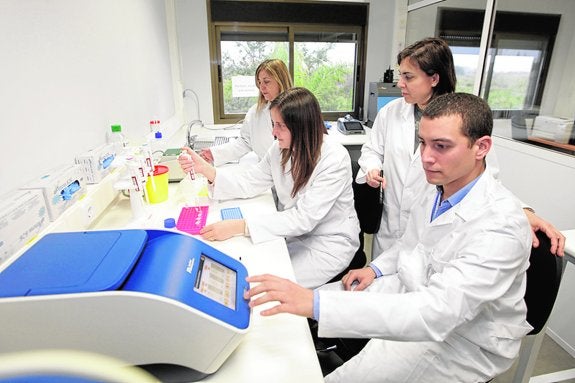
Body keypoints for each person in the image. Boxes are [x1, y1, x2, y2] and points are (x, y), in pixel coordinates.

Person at [244, 93, 533, 382]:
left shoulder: (501, 226)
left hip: (461, 339)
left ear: (481, 147)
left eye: (441, 146)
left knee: (343, 373)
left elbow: (438, 312)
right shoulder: (438, 187)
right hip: (409, 292)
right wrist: (375, 268)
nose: (426, 157)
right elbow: (411, 244)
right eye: (423, 143)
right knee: (288, 310)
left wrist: (315, 303)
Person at [357, 37, 565, 257]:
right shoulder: (391, 112)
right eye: (401, 76)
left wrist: (522, 211)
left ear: (434, 78)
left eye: (408, 77)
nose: (400, 83)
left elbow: (486, 180)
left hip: (438, 231)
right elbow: (372, 150)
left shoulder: (465, 120)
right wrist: (372, 167)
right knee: (382, 277)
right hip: (391, 228)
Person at [179, 87, 360, 289]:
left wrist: (240, 226)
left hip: (329, 243)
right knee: (255, 266)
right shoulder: (280, 150)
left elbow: (304, 218)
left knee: (268, 285)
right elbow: (251, 181)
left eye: (280, 126)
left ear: (302, 127)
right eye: (273, 124)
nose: (274, 133)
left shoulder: (334, 158)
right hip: (295, 234)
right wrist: (207, 170)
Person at [200, 58, 293, 166]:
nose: (261, 87)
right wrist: (214, 154)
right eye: (259, 82)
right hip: (266, 173)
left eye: (266, 81)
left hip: (295, 173)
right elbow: (244, 142)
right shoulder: (255, 113)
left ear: (281, 81)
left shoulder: (299, 111)